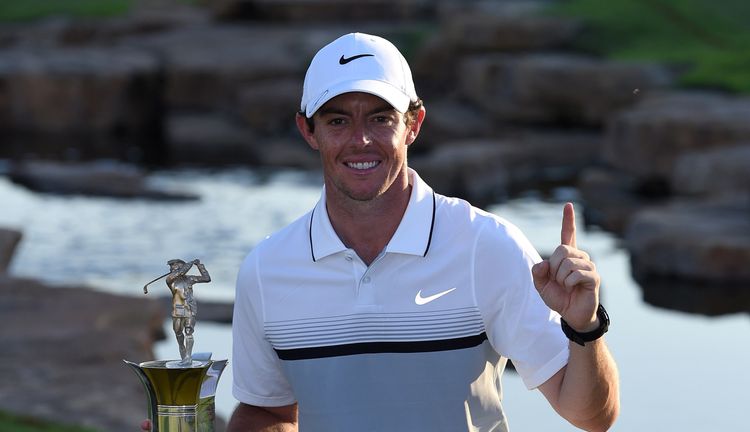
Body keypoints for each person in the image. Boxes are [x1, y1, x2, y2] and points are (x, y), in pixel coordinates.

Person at [142, 32, 619, 432]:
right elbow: (268, 410)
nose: (360, 140)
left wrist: (585, 327)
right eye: (337, 120)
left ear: (413, 124)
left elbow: (592, 416)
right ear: (308, 131)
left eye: (380, 117)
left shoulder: (486, 246)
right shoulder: (267, 270)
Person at [165, 258, 210, 364]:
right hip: (177, 310)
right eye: (171, 266)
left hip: (189, 308)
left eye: (174, 265)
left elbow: (206, 278)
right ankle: (184, 355)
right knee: (178, 333)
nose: (172, 268)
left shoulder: (189, 279)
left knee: (189, 332)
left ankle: (188, 357)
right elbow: (181, 272)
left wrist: (200, 266)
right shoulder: (170, 279)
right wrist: (190, 263)